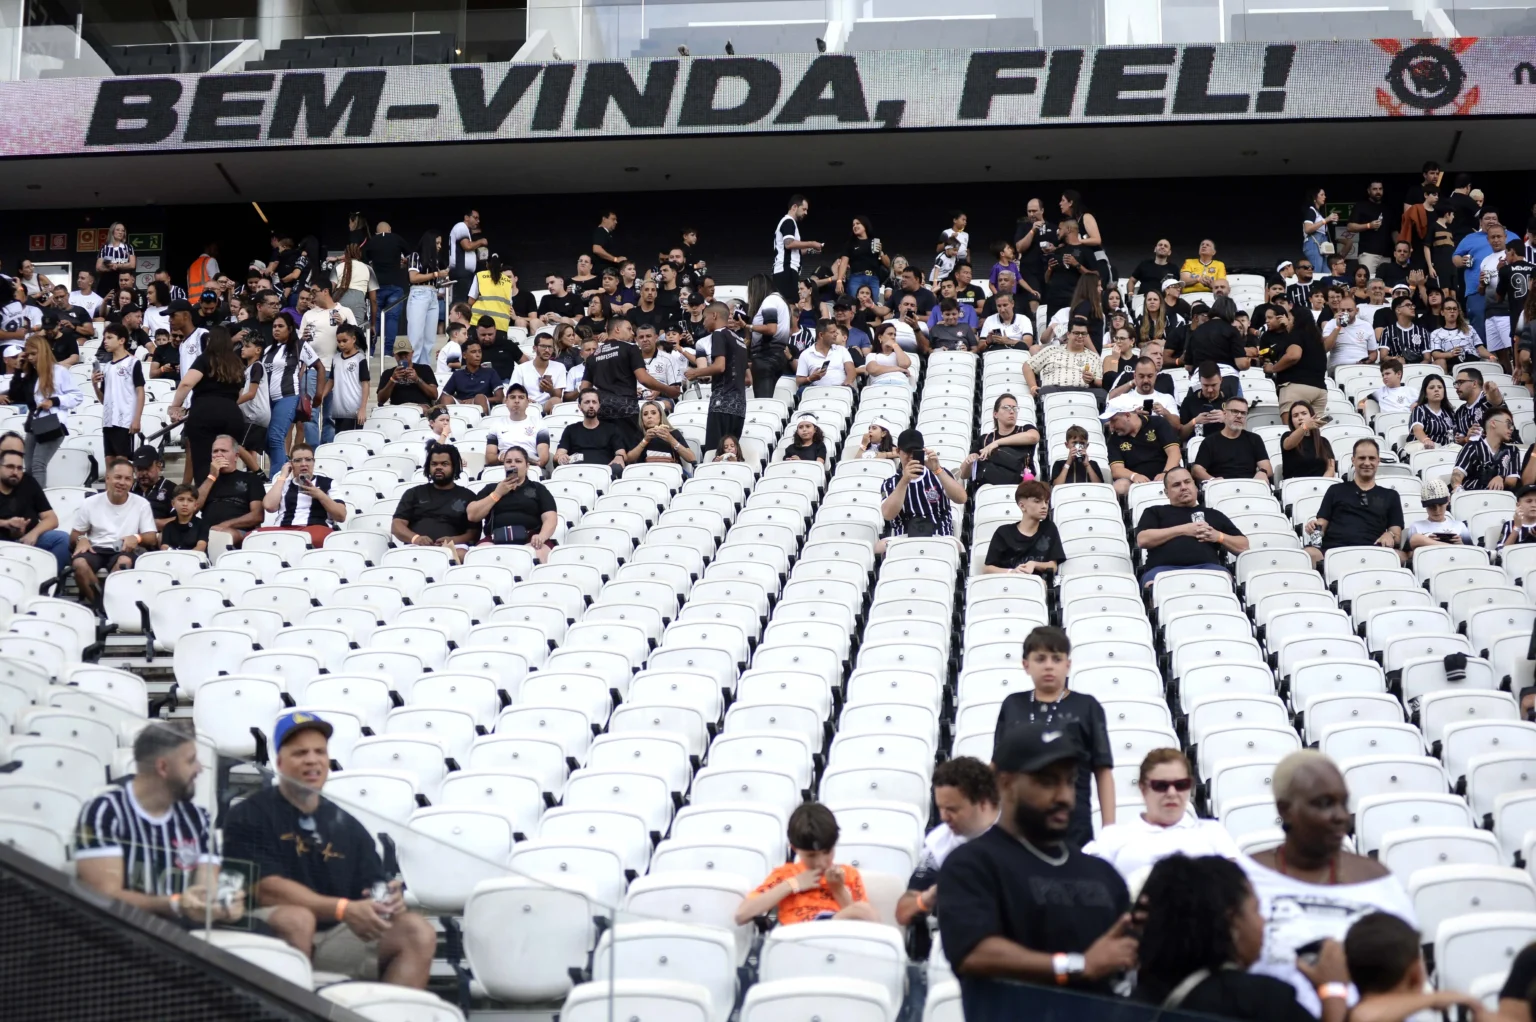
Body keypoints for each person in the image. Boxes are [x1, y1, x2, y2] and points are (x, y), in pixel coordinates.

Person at [223, 711, 435, 987]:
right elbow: (267, 889)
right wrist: (342, 909)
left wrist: (387, 900)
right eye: (300, 753)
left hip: (335, 938)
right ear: (279, 763)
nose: (312, 760)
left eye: (319, 752)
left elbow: (371, 889)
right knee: (297, 920)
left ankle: (384, 1009)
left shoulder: (349, 827)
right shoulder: (249, 814)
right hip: (266, 934)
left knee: (417, 931)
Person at [939, 719, 1135, 1018]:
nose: (1064, 796)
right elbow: (973, 953)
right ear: (1005, 784)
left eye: (1069, 781)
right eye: (1047, 782)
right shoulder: (972, 864)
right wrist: (1078, 965)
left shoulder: (1102, 874)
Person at [1242, 751, 1416, 1016]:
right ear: (1285, 810)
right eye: (1324, 804)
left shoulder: (1377, 879)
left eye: (1343, 803)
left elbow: (1408, 974)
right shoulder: (1246, 877)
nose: (1340, 816)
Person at [1131, 854, 1345, 1021]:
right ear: (1232, 920)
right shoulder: (1261, 1001)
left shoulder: (1136, 1000)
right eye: (1256, 909)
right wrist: (1333, 990)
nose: (1263, 921)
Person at [74, 723, 246, 928]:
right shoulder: (105, 812)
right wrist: (174, 904)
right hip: (119, 933)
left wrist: (221, 905)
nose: (199, 769)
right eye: (191, 761)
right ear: (163, 768)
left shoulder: (197, 818)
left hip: (182, 935)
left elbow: (206, 888)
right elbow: (104, 897)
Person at [991, 626, 1115, 848]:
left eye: (1056, 659)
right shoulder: (1013, 705)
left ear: (1068, 665)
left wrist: (1109, 831)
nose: (1049, 665)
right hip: (1019, 826)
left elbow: (1103, 770)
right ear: (1026, 665)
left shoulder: (1087, 706)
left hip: (1073, 826)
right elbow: (997, 768)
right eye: (1040, 659)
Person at [1084, 749, 1241, 881]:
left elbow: (1236, 886)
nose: (1172, 793)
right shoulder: (1113, 836)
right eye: (1161, 786)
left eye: (1181, 785)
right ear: (1143, 788)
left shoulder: (1213, 832)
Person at [734, 802, 877, 927]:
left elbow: (867, 924)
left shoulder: (848, 874)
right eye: (811, 856)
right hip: (797, 937)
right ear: (794, 849)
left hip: (837, 934)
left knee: (863, 910)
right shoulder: (785, 874)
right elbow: (741, 915)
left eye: (827, 852)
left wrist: (838, 889)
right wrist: (792, 884)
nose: (821, 863)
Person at [895, 757, 999, 926]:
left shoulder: (1018, 833)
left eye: (952, 809)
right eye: (940, 809)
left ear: (983, 803)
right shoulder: (939, 843)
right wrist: (928, 898)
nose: (943, 817)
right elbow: (903, 912)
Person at [1135, 467, 1248, 584]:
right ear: (1166, 492)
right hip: (1162, 571)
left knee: (1225, 580)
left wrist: (1218, 536)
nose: (1183, 487)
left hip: (1208, 569)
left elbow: (1244, 546)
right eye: (1176, 485)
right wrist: (1184, 529)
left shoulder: (1213, 514)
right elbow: (1142, 540)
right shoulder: (1154, 512)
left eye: (1187, 482)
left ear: (1195, 486)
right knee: (1152, 585)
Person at [70, 457, 157, 605]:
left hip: (123, 549)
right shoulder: (89, 503)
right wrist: (81, 539)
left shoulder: (141, 504)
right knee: (79, 563)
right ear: (107, 479)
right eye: (118, 477)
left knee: (125, 561)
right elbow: (74, 535)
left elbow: (152, 537)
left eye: (127, 479)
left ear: (132, 482)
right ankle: (102, 606)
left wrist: (137, 538)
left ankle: (107, 607)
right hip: (96, 549)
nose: (122, 482)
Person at [169, 327, 248, 482]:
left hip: (204, 413)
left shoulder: (205, 359)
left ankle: (207, 494)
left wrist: (175, 406)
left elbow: (186, 383)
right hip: (232, 414)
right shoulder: (237, 363)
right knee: (228, 463)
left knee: (203, 464)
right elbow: (239, 394)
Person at [9, 334, 82, 488]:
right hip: (34, 424)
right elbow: (15, 396)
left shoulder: (59, 371)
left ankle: (38, 501)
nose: (30, 358)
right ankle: (32, 498)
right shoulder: (30, 375)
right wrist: (17, 370)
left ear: (42, 352)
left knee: (38, 464)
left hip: (52, 423)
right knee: (29, 468)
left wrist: (54, 401)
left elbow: (77, 396)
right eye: (28, 354)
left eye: (33, 354)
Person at [879, 428, 966, 551]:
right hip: (904, 538)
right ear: (898, 451)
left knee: (956, 546)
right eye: (907, 452)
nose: (911, 456)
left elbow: (962, 498)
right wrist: (904, 481)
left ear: (923, 451)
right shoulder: (890, 483)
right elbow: (888, 515)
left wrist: (938, 470)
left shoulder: (939, 473)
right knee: (879, 547)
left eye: (915, 452)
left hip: (939, 535)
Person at [260, 311, 326, 474]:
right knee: (265, 440)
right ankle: (287, 469)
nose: (276, 329)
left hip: (288, 396)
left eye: (280, 326)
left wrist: (318, 394)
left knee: (275, 437)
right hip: (267, 401)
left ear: (290, 329)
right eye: (274, 326)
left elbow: (320, 367)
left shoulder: (300, 346)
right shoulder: (268, 350)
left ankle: (276, 479)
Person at [468, 446, 558, 562]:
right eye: (508, 461)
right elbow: (472, 514)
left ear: (527, 466)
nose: (513, 465)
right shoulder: (492, 489)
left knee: (537, 553)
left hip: (531, 538)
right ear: (504, 466)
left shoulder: (538, 489)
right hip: (497, 538)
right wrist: (497, 494)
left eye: (518, 461)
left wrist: (542, 536)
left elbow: (550, 518)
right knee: (479, 554)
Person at [391, 444, 478, 562]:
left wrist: (452, 540)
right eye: (434, 464)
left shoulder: (468, 496)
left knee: (462, 555)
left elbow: (473, 534)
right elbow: (396, 525)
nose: (438, 467)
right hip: (415, 547)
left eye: (444, 464)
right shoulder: (414, 493)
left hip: (454, 548)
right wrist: (416, 539)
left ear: (454, 466)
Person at [257, 444, 347, 546]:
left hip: (315, 528)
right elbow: (269, 506)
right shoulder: (283, 484)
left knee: (315, 538)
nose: (304, 464)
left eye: (308, 460)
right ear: (291, 464)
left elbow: (341, 516)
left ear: (313, 462)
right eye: (298, 460)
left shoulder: (328, 483)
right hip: (283, 529)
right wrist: (283, 476)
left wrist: (320, 495)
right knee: (253, 537)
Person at [0, 447, 69, 572]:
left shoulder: (29, 482)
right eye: (10, 467)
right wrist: (6, 523)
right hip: (2, 542)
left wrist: (34, 533)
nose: (15, 472)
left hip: (29, 540)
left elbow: (52, 519)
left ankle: (46, 579)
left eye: (19, 468)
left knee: (63, 539)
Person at [193, 435, 264, 551]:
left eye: (224, 451)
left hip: (237, 531)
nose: (218, 454)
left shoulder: (251, 479)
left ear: (236, 456)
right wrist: (212, 476)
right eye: (215, 451)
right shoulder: (207, 480)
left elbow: (257, 515)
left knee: (224, 536)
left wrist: (226, 524)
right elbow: (193, 508)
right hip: (206, 531)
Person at [982, 480, 1063, 576]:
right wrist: (1011, 572)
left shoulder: (1049, 528)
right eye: (1037, 501)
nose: (1044, 506)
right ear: (1022, 506)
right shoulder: (1003, 532)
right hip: (1009, 582)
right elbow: (987, 569)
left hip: (1039, 583)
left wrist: (1034, 564)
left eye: (1046, 502)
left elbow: (1053, 566)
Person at [1103, 398, 1182, 497]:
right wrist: (1134, 476)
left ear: (1127, 415)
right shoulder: (1114, 439)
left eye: (1113, 420)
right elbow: (1116, 469)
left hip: (1166, 473)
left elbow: (1174, 453)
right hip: (1136, 482)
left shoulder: (1158, 423)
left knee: (1182, 479)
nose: (1111, 427)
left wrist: (1166, 473)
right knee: (1120, 486)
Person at [1265, 306, 1330, 418]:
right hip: (1320, 390)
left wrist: (1273, 368)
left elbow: (1293, 356)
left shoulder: (1296, 334)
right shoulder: (1317, 339)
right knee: (1313, 428)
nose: (1287, 322)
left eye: (1289, 319)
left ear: (1297, 321)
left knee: (1292, 427)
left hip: (1296, 386)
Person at [961, 394, 1039, 487]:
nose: (1011, 411)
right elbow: (963, 475)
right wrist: (970, 461)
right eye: (1006, 407)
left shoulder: (1025, 430)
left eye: (1015, 408)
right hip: (989, 489)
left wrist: (996, 443)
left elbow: (1034, 437)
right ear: (995, 414)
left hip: (1020, 488)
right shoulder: (984, 439)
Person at [1192, 396, 1273, 484]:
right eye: (1235, 411)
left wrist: (1262, 472)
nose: (1239, 416)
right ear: (1225, 413)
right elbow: (1197, 469)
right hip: (1220, 486)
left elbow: (1267, 468)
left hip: (1249, 485)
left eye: (1243, 413)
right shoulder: (1210, 441)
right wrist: (1212, 480)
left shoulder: (1255, 439)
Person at [92, 324, 144, 459]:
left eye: (110, 337)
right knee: (109, 462)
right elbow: (104, 400)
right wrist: (95, 385)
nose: (105, 341)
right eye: (104, 338)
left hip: (125, 421)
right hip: (108, 422)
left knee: (122, 462)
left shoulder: (133, 363)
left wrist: (137, 419)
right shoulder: (107, 367)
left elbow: (140, 391)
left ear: (121, 340)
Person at [363, 220, 410, 357]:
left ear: (376, 232)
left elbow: (365, 261)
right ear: (390, 230)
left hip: (376, 285)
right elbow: (410, 256)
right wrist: (404, 262)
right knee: (392, 318)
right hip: (395, 284)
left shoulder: (372, 241)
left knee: (375, 318)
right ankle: (388, 351)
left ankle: (371, 351)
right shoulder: (397, 239)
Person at [555, 390, 626, 474]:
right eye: (587, 402)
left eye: (594, 402)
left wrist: (619, 457)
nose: (591, 405)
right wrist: (561, 456)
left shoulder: (611, 429)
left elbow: (622, 453)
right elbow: (558, 455)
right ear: (579, 406)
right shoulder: (571, 429)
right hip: (576, 473)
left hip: (604, 473)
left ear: (599, 405)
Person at [1452, 406, 1521, 491]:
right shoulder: (1472, 447)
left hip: (1500, 497)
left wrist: (1501, 478)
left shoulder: (1512, 450)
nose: (1511, 428)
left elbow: (1512, 481)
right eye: (1508, 424)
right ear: (1493, 423)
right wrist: (1458, 489)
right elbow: (1457, 474)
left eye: (1512, 425)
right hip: (1472, 494)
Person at [484, 384, 550, 470]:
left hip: (530, 467)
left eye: (521, 397)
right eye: (512, 397)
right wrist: (501, 457)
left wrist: (521, 460)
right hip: (503, 467)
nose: (517, 401)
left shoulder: (539, 424)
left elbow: (543, 459)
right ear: (506, 402)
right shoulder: (496, 425)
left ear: (527, 402)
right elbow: (489, 457)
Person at [772, 194, 822, 306]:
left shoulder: (789, 222)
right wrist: (812, 243)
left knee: (791, 303)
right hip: (786, 269)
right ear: (794, 207)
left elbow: (795, 251)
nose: (806, 213)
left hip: (788, 270)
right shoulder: (788, 221)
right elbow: (789, 244)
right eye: (804, 209)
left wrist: (811, 249)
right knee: (789, 304)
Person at [326, 324, 369, 438]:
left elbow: (365, 384)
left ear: (353, 339)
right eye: (339, 341)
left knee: (351, 442)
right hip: (339, 411)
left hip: (354, 412)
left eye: (344, 341)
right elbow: (331, 380)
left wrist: (363, 408)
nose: (341, 344)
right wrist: (321, 396)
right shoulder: (336, 358)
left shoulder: (360, 358)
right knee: (340, 441)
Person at [510, 331, 566, 415]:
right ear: (535, 348)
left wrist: (550, 390)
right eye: (543, 346)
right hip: (528, 404)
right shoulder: (521, 368)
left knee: (556, 401)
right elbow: (513, 391)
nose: (547, 350)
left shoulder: (559, 367)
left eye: (550, 347)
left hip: (547, 405)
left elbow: (559, 395)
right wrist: (525, 399)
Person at [626, 400, 694, 467]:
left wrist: (671, 439)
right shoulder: (640, 434)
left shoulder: (673, 433)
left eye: (653, 413)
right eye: (645, 414)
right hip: (646, 470)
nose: (649, 416)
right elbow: (629, 459)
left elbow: (691, 458)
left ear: (661, 415)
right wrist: (645, 440)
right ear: (642, 419)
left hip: (670, 469)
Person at [1281, 403, 1336, 479]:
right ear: (1291, 421)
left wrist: (1320, 482)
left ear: (1312, 416)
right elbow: (1288, 444)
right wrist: (1305, 426)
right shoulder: (1287, 436)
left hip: (1321, 483)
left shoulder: (1323, 441)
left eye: (1304, 414)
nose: (1300, 418)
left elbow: (1330, 468)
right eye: (1295, 416)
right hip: (1295, 483)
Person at [1428, 295, 1485, 368]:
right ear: (1442, 312)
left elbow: (1480, 348)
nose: (1452, 311)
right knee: (1440, 361)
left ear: (1458, 312)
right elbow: (1435, 354)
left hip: (1472, 361)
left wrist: (1491, 356)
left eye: (1455, 309)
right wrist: (1450, 354)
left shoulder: (1469, 328)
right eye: (1448, 309)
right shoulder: (1436, 333)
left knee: (1492, 360)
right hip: (1452, 363)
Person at [133, 446, 177, 528]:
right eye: (139, 469)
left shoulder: (172, 489)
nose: (143, 473)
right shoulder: (129, 489)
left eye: (147, 468)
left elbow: (181, 519)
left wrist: (152, 524)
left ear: (158, 466)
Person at [1408, 374, 1455, 448]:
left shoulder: (1449, 412)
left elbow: (1452, 433)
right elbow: (1417, 430)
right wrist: (1426, 440)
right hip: (1422, 445)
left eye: (1440, 387)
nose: (1436, 390)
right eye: (1431, 388)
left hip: (1444, 448)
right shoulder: (1419, 410)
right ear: (1425, 394)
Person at [159, 484, 209, 553]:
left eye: (190, 500)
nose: (185, 504)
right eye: (181, 499)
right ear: (173, 503)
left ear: (195, 505)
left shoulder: (202, 524)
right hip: (173, 558)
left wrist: (184, 557)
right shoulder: (168, 527)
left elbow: (201, 547)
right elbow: (164, 547)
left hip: (196, 558)